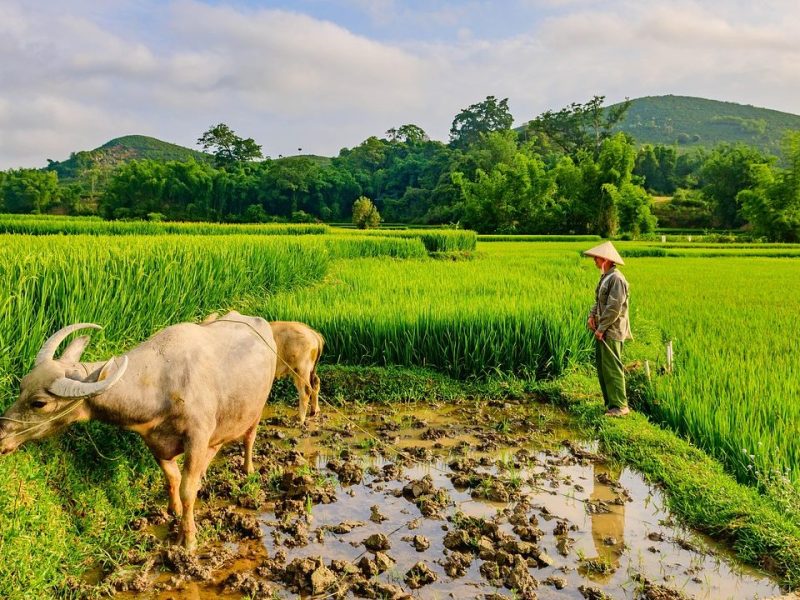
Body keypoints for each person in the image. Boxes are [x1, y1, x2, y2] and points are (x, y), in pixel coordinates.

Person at [584, 241, 632, 417]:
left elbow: (613, 308)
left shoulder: (617, 279)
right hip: (603, 329)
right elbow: (598, 301)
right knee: (603, 367)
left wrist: (601, 328)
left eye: (596, 258)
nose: (594, 261)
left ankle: (621, 406)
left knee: (612, 367)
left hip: (612, 331)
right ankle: (611, 404)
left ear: (605, 259)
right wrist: (591, 317)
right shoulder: (606, 277)